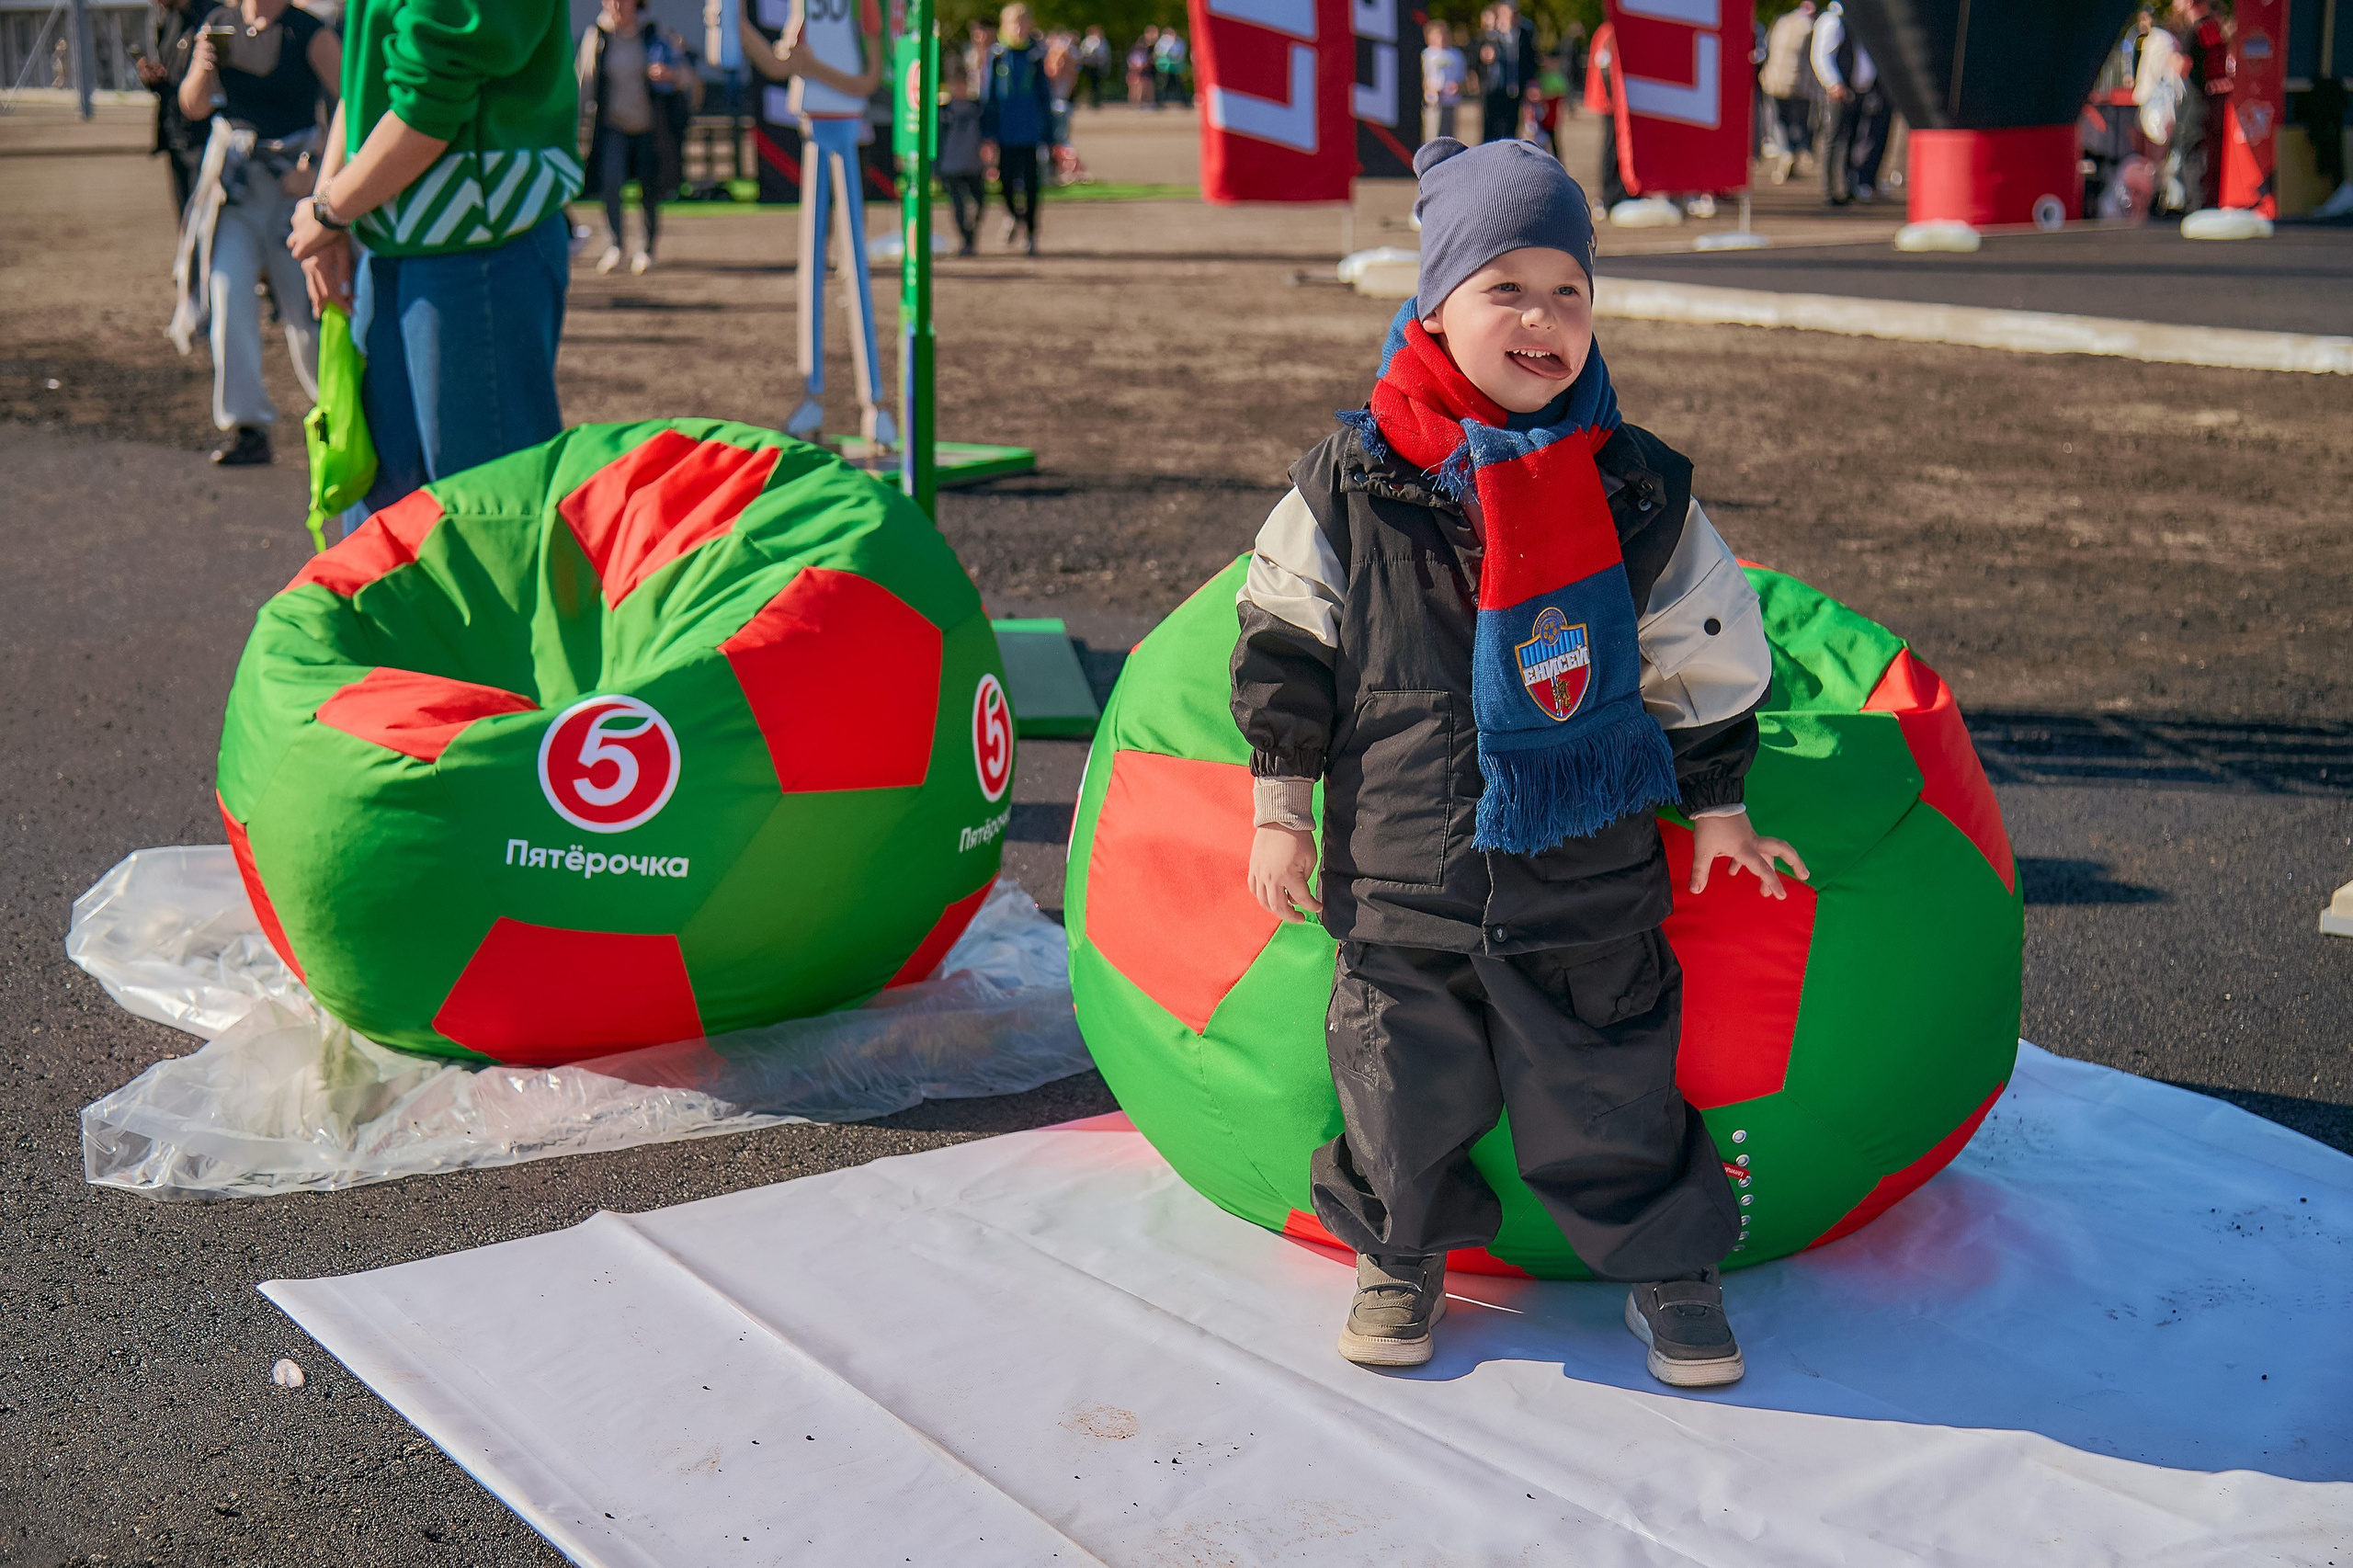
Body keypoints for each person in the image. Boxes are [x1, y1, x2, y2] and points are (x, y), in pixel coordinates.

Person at [1232, 138, 1796, 1380]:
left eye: (1569, 291)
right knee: (1396, 1077)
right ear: (1435, 303)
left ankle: (1665, 1262)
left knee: (1608, 1079)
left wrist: (1720, 808)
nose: (1541, 318)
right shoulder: (1352, 479)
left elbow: (1699, 647)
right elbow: (1284, 641)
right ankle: (1400, 1252)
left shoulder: (1637, 490)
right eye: (1506, 287)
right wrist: (1280, 806)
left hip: (1581, 869)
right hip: (1404, 865)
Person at [287, 0, 578, 520]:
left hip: (476, 249)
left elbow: (428, 99)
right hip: (411, 242)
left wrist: (332, 210)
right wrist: (329, 208)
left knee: (487, 522)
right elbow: (371, 73)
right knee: (387, 519)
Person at [172, 0, 339, 467]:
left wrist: (316, 168)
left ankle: (336, 415)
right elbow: (193, 105)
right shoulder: (219, 26)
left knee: (306, 314)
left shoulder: (306, 30)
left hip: (292, 193)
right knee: (227, 299)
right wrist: (203, 67)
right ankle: (248, 427)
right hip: (235, 190)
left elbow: (352, 98)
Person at [578, 0, 687, 276]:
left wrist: (669, 74)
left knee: (649, 190)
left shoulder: (653, 34)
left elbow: (685, 76)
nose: (615, 5)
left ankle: (646, 249)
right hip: (613, 126)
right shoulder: (598, 36)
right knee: (610, 183)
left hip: (648, 127)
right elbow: (584, 82)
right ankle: (615, 245)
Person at [981, 3, 1054, 256]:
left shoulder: (1036, 56)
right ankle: (1014, 216)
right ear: (1006, 26)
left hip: (1030, 131)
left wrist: (1050, 134)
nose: (1020, 28)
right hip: (1005, 131)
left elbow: (1045, 98)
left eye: (1024, 23)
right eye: (1015, 23)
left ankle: (1032, 234)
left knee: (1032, 184)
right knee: (1005, 183)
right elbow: (988, 97)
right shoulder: (998, 56)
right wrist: (987, 133)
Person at [1811, 0, 1887, 204]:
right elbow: (1820, 56)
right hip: (1841, 91)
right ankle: (1830, 190)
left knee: (1852, 139)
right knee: (1834, 139)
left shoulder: (1856, 21)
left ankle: (1846, 185)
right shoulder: (1833, 21)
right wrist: (1833, 83)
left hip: (1857, 91)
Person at [139, 0, 206, 220]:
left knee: (206, 224)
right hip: (175, 138)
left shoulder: (211, 18)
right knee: (186, 223)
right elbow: (171, 72)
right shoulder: (170, 20)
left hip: (202, 141)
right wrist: (154, 78)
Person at [2172, 0, 2232, 210]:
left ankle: (2197, 210)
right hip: (2215, 105)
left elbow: (2184, 68)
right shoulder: (2215, 28)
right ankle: (2209, 207)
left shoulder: (2193, 31)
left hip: (2196, 108)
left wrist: (2171, 62)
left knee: (2193, 165)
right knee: (2211, 166)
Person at [1759, 2, 1813, 186]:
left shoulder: (1781, 22)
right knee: (1797, 122)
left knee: (1778, 121)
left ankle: (1786, 152)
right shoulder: (1810, 27)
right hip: (1798, 83)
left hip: (1774, 80)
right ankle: (1792, 153)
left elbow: (1767, 48)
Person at [937, 59, 986, 256]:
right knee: (958, 206)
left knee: (980, 202)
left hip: (973, 163)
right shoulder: (943, 110)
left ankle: (970, 235)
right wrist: (936, 167)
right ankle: (966, 240)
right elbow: (938, 140)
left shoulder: (977, 107)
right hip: (951, 166)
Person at [1422, 20, 1465, 143]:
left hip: (1450, 101)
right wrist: (1430, 88)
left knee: (1449, 136)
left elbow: (1463, 79)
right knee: (1433, 135)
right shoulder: (1426, 55)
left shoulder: (1456, 55)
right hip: (1432, 102)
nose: (1441, 38)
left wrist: (1457, 87)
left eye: (1444, 34)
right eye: (1437, 35)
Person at [1153, 26, 1188, 108]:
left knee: (1178, 84)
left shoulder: (1180, 42)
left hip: (1176, 67)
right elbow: (1158, 52)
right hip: (1165, 67)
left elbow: (1181, 54)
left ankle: (1185, 101)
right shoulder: (1163, 42)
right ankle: (1159, 102)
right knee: (1163, 84)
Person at [1076, 25, 1109, 109]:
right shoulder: (1087, 41)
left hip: (1097, 65)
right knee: (1087, 84)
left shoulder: (1102, 41)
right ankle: (1085, 101)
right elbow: (1083, 51)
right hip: (1087, 65)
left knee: (1096, 85)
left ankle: (1096, 102)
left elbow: (1104, 54)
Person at [1127, 27, 1156, 108]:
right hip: (1135, 71)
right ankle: (1135, 103)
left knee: (1148, 86)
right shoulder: (1135, 52)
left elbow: (1147, 62)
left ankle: (1149, 102)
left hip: (1144, 71)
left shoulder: (1145, 52)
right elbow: (1131, 62)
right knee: (1135, 88)